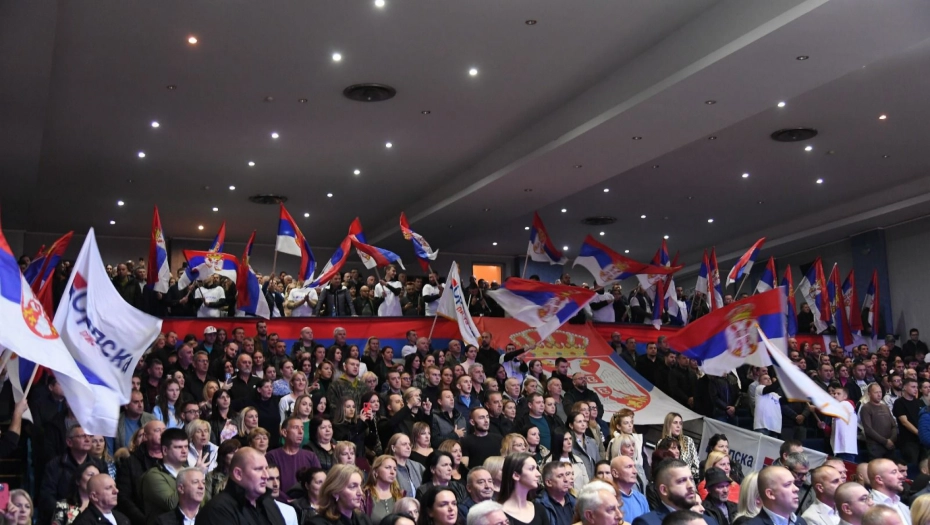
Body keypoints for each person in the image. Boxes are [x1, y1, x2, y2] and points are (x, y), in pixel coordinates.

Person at [195, 448, 286, 525]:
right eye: (258, 469)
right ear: (238, 474)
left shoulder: (269, 504)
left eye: (266, 468)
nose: (266, 475)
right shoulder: (217, 510)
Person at [41, 425, 108, 525]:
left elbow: (106, 491)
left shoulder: (99, 464)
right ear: (69, 442)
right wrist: (65, 514)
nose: (87, 439)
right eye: (82, 436)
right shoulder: (55, 465)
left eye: (90, 436)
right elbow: (47, 497)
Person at [631, 459, 718, 525]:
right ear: (664, 490)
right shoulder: (647, 523)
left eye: (691, 479)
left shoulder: (709, 521)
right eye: (681, 481)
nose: (691, 485)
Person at [140, 428, 190, 525]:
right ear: (165, 450)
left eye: (186, 446)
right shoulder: (153, 476)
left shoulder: (190, 471)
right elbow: (171, 505)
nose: (184, 451)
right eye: (178, 447)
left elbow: (203, 502)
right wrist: (190, 479)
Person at [267, 417, 322, 493]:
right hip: (279, 499)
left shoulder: (311, 456)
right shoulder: (272, 456)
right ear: (284, 432)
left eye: (302, 428)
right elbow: (269, 485)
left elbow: (320, 481)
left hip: (305, 499)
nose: (301, 432)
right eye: (296, 428)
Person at [306, 464, 371, 525]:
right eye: (353, 486)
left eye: (360, 486)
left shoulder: (364, 520)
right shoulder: (316, 523)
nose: (360, 493)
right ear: (335, 492)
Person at [496, 453, 550, 525]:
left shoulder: (539, 509)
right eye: (531, 469)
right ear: (516, 475)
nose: (538, 474)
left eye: (536, 469)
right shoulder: (498, 513)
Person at [867, 459, 911, 525]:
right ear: (879, 479)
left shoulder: (903, 506)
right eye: (894, 472)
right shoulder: (868, 507)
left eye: (898, 471)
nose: (901, 476)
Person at [362, 456, 403, 524]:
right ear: (376, 471)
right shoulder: (365, 496)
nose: (392, 472)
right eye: (388, 468)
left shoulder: (400, 495)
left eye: (395, 469)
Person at [611, 455, 648, 523]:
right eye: (629, 467)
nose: (635, 471)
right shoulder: (608, 498)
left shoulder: (641, 498)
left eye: (634, 467)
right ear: (615, 473)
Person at [662, 413, 699, 482]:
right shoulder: (661, 442)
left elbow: (697, 467)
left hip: (687, 480)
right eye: (675, 423)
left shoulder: (688, 441)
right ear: (668, 424)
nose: (678, 426)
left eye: (680, 423)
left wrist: (684, 474)